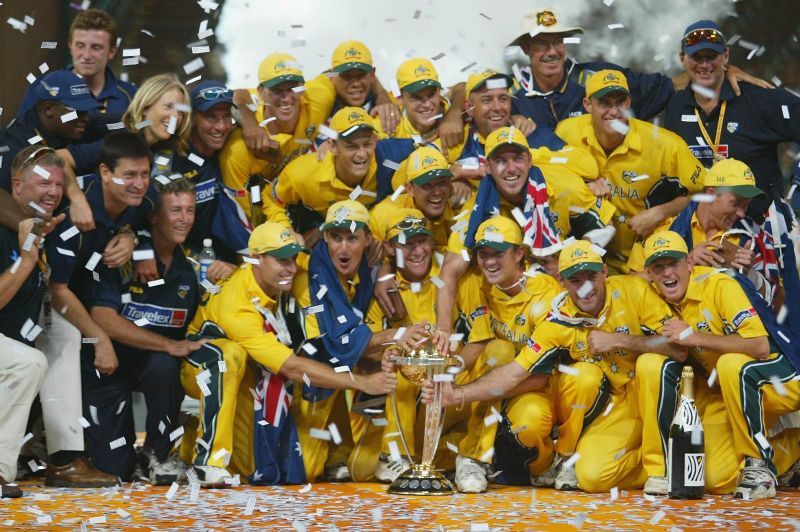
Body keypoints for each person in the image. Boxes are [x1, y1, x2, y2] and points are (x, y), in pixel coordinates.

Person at [179, 218, 397, 486]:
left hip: (250, 378)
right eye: (282, 260)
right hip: (203, 368)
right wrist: (362, 382)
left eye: (293, 259)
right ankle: (207, 461)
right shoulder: (237, 306)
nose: (291, 268)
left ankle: (336, 454)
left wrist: (384, 265)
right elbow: (291, 367)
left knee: (283, 470)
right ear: (257, 259)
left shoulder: (281, 283)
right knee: (229, 356)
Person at [638, 230, 800, 499]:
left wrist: (692, 336)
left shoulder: (718, 285)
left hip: (781, 376)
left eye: (673, 264)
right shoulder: (658, 300)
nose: (667, 273)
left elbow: (759, 346)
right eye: (658, 267)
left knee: (730, 364)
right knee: (714, 477)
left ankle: (759, 466)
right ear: (650, 274)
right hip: (731, 394)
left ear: (689, 263)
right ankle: (793, 446)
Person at [433, 126, 616, 352]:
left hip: (563, 279)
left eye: (518, 158)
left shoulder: (561, 185)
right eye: (500, 160)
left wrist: (573, 258)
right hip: (518, 288)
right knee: (469, 276)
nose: (511, 169)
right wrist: (442, 328)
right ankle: (490, 343)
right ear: (487, 167)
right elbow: (450, 271)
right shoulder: (478, 211)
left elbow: (607, 226)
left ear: (530, 160)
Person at [42, 132, 155, 487]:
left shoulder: (145, 199)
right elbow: (55, 289)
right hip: (46, 300)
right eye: (130, 175)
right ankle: (62, 457)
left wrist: (130, 237)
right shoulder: (74, 214)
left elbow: (144, 215)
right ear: (105, 173)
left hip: (90, 293)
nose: (139, 184)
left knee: (118, 469)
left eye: (145, 174)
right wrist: (99, 336)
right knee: (69, 341)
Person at [288, 201, 427, 481]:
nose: (343, 248)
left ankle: (365, 453)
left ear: (367, 240)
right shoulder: (311, 279)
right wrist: (398, 335)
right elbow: (339, 345)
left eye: (352, 238)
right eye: (336, 237)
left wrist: (384, 267)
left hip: (342, 367)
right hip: (309, 375)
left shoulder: (369, 264)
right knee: (305, 470)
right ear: (324, 237)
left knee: (383, 360)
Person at [81, 178, 206, 484]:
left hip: (150, 365)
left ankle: (158, 453)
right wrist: (167, 345)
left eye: (190, 210)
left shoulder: (188, 270)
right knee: (115, 470)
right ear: (153, 216)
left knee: (166, 365)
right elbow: (103, 318)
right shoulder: (122, 255)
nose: (184, 218)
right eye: (175, 209)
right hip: (106, 365)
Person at [361, 208, 494, 485]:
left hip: (455, 390)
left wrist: (446, 370)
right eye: (406, 243)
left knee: (498, 357)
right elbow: (367, 351)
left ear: (433, 242)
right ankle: (398, 456)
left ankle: (471, 458)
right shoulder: (384, 291)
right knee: (403, 365)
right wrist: (388, 355)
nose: (416, 250)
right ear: (389, 247)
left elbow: (481, 340)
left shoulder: (457, 278)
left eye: (422, 240)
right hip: (410, 403)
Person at [508, 7, 770, 132]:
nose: (552, 51)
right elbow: (468, 91)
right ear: (525, 48)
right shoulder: (510, 93)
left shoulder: (599, 77)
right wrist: (463, 111)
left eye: (558, 41)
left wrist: (722, 68)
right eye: (542, 44)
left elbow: (670, 85)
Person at [556, 69, 706, 273]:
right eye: (604, 103)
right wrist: (581, 182)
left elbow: (705, 194)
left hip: (647, 263)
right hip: (585, 261)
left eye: (620, 102)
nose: (614, 111)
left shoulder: (664, 145)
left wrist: (658, 213)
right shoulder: (566, 133)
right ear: (587, 105)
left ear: (629, 103)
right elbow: (549, 175)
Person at [664, 20, 800, 218]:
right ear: (682, 59)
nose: (704, 64)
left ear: (725, 55)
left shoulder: (759, 100)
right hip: (696, 230)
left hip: (759, 230)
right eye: (696, 57)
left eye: (711, 56)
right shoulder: (674, 106)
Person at [0, 146, 67, 497]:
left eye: (58, 184)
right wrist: (27, 259)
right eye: (43, 183)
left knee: (63, 345)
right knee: (28, 362)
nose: (53, 192)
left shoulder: (48, 228)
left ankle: (68, 456)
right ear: (17, 185)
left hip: (14, 339)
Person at [627, 159, 782, 305]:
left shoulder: (754, 238)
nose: (741, 213)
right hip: (668, 327)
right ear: (710, 193)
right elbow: (631, 284)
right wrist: (684, 264)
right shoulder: (662, 229)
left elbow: (779, 304)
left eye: (746, 205)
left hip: (726, 330)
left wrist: (751, 277)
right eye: (735, 203)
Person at [152, 79, 249, 277]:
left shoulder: (229, 144)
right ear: (192, 117)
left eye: (226, 117)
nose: (221, 126)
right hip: (178, 263)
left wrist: (251, 124)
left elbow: (245, 97)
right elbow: (150, 221)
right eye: (211, 117)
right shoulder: (169, 160)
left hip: (222, 252)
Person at [222, 53, 331, 225]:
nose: (286, 98)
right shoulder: (238, 150)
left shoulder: (319, 96)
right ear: (262, 93)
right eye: (277, 91)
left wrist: (381, 96)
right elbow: (238, 220)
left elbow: (345, 72)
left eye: (292, 89)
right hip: (262, 213)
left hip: (299, 201)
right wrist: (250, 123)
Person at [262, 106, 379, 247]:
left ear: (375, 140)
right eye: (351, 146)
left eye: (367, 144)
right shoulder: (301, 173)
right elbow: (270, 197)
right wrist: (286, 230)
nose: (361, 154)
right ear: (333, 146)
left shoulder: (386, 163)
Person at [0, 70, 101, 234]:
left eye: (86, 110)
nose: (85, 118)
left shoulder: (67, 126)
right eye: (77, 111)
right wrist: (31, 230)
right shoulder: (13, 147)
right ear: (49, 109)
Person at [15, 8, 136, 142]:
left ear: (112, 52)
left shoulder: (131, 97)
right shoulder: (43, 88)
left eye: (96, 47)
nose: (86, 55)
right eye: (80, 45)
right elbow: (20, 140)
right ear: (70, 46)